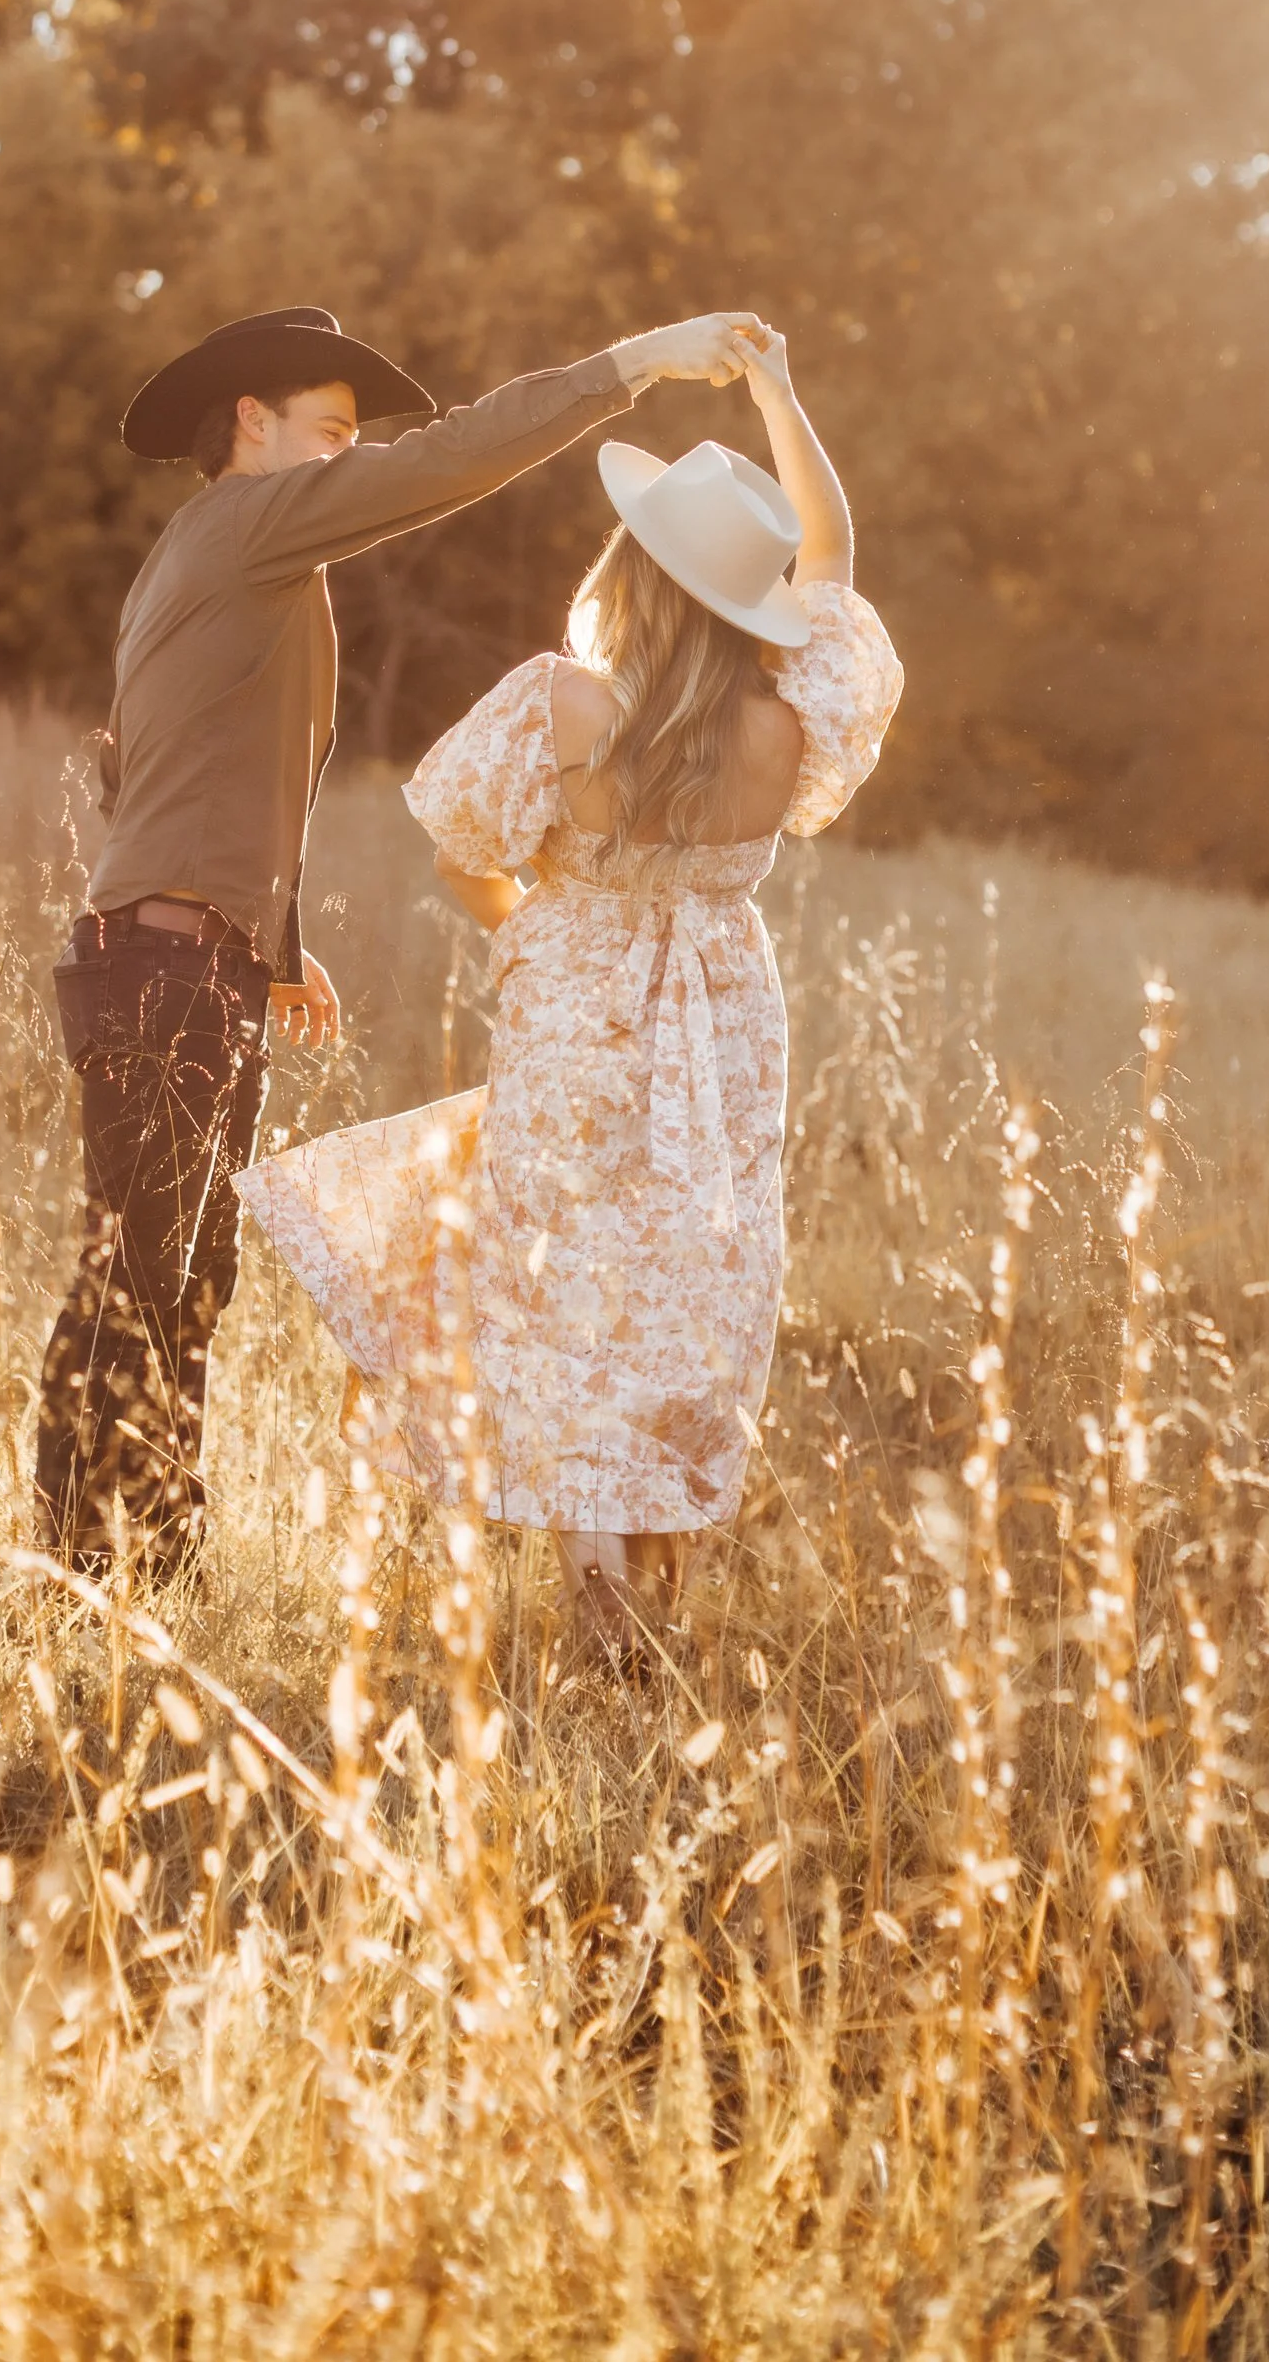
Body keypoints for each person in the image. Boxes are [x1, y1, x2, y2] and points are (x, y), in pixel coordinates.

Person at [34, 296, 771, 1574]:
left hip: (174, 953)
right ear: (250, 426)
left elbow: (159, 768)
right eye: (330, 434)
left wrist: (267, 938)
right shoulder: (248, 524)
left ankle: (126, 1567)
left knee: (169, 1283)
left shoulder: (214, 558)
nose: (350, 463)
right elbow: (450, 460)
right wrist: (637, 365)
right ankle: (98, 1579)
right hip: (164, 966)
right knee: (142, 1288)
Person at [235, 325, 902, 1667]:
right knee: (691, 1284)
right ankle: (654, 1586)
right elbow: (832, 560)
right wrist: (779, 389)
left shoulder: (562, 708)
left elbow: (461, 850)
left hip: (576, 1005)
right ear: (745, 601)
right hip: (721, 1021)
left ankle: (590, 1575)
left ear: (628, 570)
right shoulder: (789, 718)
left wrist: (539, 914)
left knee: (563, 1290)